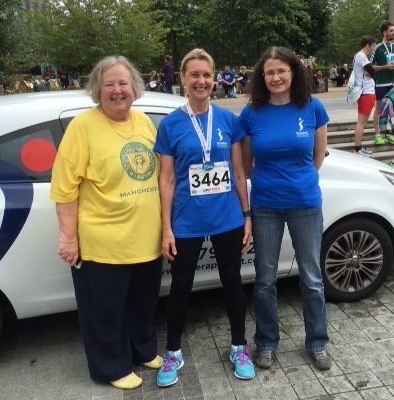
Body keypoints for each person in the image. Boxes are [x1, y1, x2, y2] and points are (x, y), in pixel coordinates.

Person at [50, 56, 164, 390]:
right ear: (97, 89)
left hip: (146, 239)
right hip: (103, 242)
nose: (117, 90)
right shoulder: (83, 127)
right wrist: (68, 238)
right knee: (104, 311)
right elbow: (65, 188)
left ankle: (142, 350)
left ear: (134, 88)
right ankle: (110, 367)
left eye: (123, 83)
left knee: (142, 303)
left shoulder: (144, 121)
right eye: (109, 84)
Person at [154, 48, 254, 387]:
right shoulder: (170, 125)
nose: (201, 81)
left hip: (227, 217)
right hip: (186, 220)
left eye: (207, 75)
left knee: (233, 282)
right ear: (183, 79)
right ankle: (172, 352)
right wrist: (166, 227)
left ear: (215, 79)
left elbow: (238, 173)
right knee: (180, 286)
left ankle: (239, 346)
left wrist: (247, 215)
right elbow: (167, 179)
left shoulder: (228, 120)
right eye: (194, 75)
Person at [240, 46, 331, 372]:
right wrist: (272, 184)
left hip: (305, 203)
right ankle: (266, 342)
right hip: (265, 206)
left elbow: (318, 155)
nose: (276, 77)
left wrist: (298, 182)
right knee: (265, 279)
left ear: (294, 72)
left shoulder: (313, 108)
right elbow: (247, 164)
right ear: (262, 77)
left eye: (281, 70)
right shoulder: (251, 113)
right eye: (270, 72)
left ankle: (317, 342)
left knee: (312, 278)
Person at [372, 22, 394, 146]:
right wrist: (385, 67)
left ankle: (390, 133)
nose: (393, 33)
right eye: (391, 31)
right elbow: (370, 67)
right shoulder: (377, 48)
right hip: (381, 84)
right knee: (379, 109)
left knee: (393, 109)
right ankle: (377, 134)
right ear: (384, 32)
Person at [352, 35, 377, 157]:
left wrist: (369, 72)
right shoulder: (361, 56)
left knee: (362, 122)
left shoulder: (360, 56)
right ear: (368, 45)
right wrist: (370, 72)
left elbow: (369, 71)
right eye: (373, 46)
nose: (374, 48)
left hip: (366, 92)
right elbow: (373, 71)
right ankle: (357, 149)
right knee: (361, 122)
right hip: (366, 92)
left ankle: (358, 148)